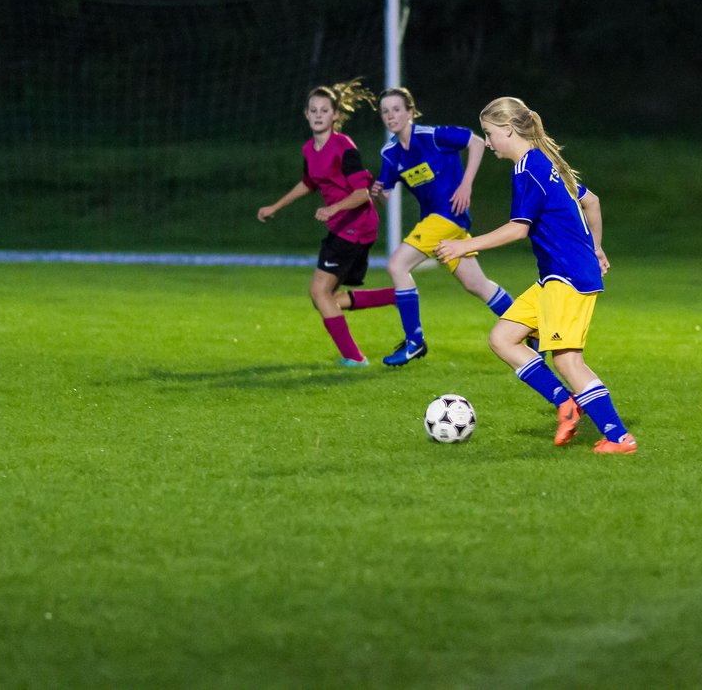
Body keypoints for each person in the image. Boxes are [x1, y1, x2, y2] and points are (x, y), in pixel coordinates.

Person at [436, 96, 637, 454]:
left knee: (567, 360)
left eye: (489, 133)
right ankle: (565, 403)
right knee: (503, 338)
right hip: (555, 276)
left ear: (508, 129)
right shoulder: (547, 162)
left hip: (568, 276)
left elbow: (518, 229)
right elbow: (592, 202)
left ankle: (619, 437)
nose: (486, 141)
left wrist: (463, 246)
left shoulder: (527, 169)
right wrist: (597, 248)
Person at [368, 87, 516, 367]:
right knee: (476, 284)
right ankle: (530, 328)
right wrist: (377, 194)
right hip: (440, 224)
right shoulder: (390, 153)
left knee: (397, 266)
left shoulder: (432, 136)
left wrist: (466, 184)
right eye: (385, 111)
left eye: (396, 109)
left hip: (448, 216)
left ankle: (414, 342)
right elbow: (386, 199)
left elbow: (474, 142)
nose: (391, 115)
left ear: (410, 112)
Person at [257, 80, 395, 367]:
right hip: (342, 226)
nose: (318, 115)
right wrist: (276, 206)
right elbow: (309, 182)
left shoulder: (344, 147)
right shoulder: (309, 149)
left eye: (324, 110)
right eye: (313, 110)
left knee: (319, 292)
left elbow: (361, 193)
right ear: (306, 115)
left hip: (357, 225)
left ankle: (354, 358)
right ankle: (399, 296)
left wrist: (332, 209)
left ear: (334, 116)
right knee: (327, 297)